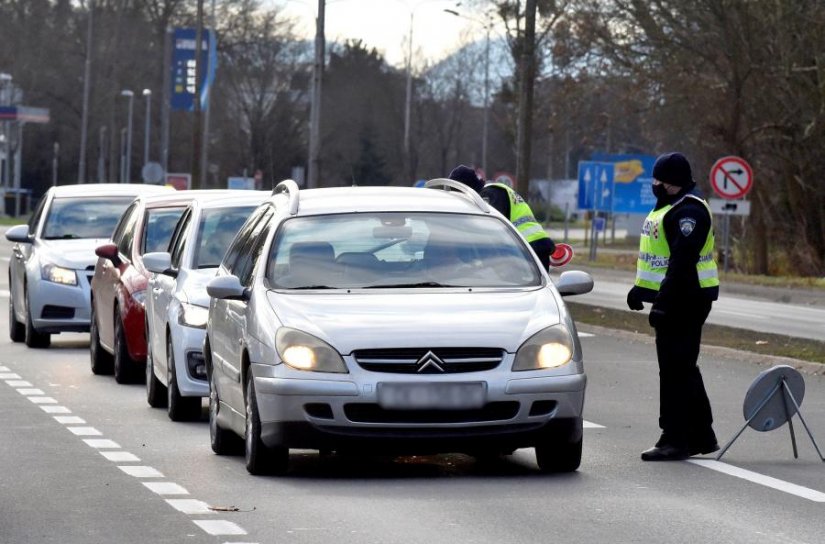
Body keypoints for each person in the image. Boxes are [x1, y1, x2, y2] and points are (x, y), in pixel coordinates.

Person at [626, 152, 720, 461]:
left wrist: (663, 304)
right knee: (683, 368)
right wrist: (641, 290)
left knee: (674, 371)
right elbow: (660, 257)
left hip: (686, 299)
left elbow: (681, 262)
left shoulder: (689, 212)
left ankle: (674, 438)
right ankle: (701, 435)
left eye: (658, 181)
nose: (653, 185)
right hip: (677, 297)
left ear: (672, 183)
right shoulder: (668, 208)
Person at [448, 165, 556, 270]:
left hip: (527, 249)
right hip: (533, 246)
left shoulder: (489, 195)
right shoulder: (495, 190)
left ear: (466, 186)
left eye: (458, 191)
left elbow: (492, 228)